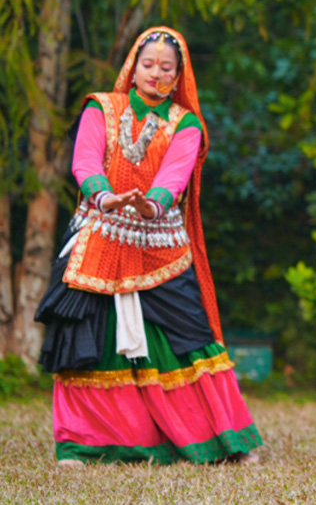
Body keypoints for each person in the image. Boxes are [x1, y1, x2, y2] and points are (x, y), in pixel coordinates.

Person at [35, 27, 262, 465]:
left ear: (178, 77)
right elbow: (83, 161)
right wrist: (107, 197)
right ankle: (82, 446)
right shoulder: (100, 107)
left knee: (189, 338)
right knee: (87, 339)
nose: (155, 74)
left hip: (159, 242)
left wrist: (148, 206)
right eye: (148, 64)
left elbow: (173, 178)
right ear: (132, 66)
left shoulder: (186, 123)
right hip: (98, 235)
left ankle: (219, 440)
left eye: (166, 68)